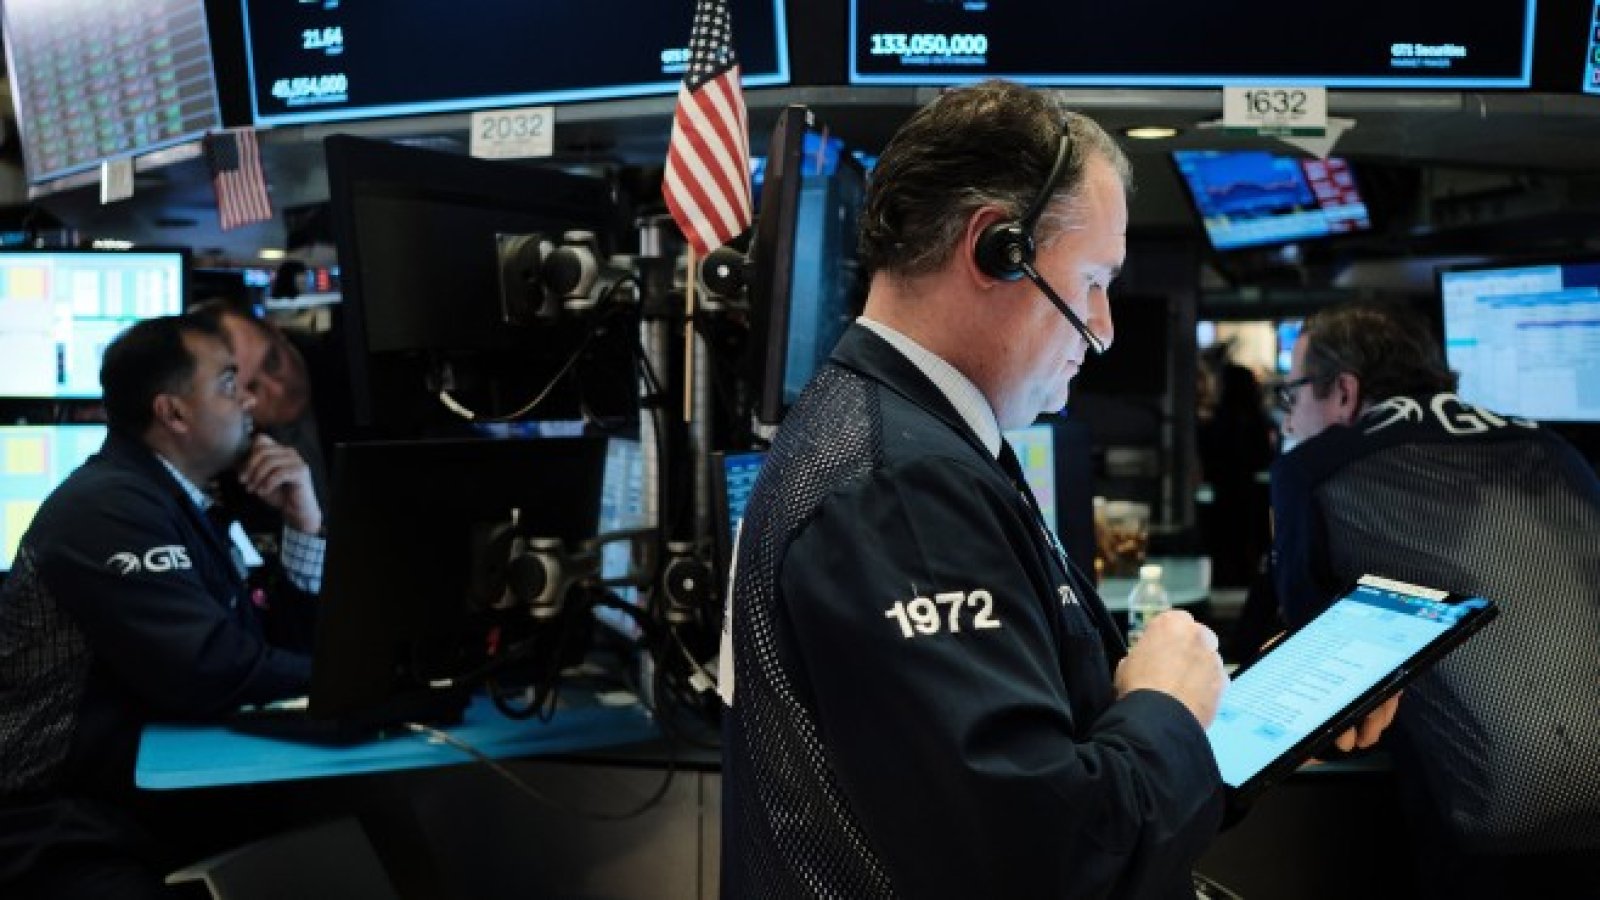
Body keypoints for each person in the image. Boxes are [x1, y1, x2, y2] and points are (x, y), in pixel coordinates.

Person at [719, 79, 1393, 899]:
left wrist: (1246, 711)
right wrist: (1167, 709)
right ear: (994, 248)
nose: (1103, 329)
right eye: (1093, 280)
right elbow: (1051, 859)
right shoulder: (902, 487)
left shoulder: (909, 438)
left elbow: (1051, 753)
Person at [1271, 300, 1600, 898]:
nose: (1289, 422)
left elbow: (1318, 677)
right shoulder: (1552, 447)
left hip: (1489, 841)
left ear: (1343, 392)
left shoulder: (1316, 470)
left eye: (1291, 396)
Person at [0, 313, 325, 899]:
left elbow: (274, 648)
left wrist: (304, 525)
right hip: (60, 831)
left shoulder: (185, 504)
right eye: (228, 383)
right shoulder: (106, 508)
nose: (249, 400)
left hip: (155, 808)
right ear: (173, 413)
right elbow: (209, 667)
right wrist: (355, 681)